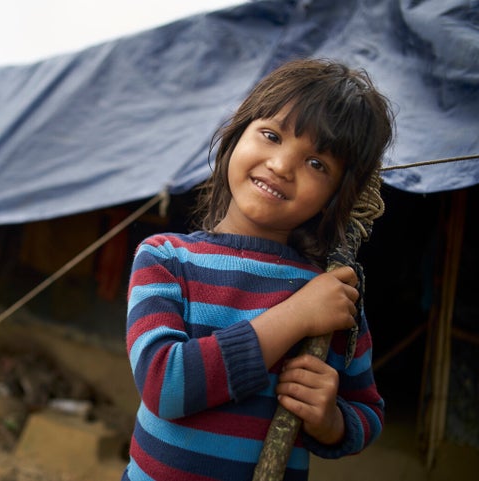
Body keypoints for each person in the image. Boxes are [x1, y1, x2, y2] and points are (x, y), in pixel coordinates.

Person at [122, 58, 394, 481]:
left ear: (337, 195)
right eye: (271, 135)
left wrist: (331, 421)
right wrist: (295, 317)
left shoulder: (332, 298)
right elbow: (166, 385)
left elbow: (368, 411)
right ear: (236, 132)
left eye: (317, 163)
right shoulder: (166, 259)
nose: (282, 166)